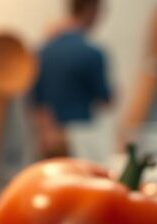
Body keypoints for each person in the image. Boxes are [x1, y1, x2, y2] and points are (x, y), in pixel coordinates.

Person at [29, 0, 113, 157]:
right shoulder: (92, 54)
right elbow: (106, 99)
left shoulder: (42, 52)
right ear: (92, 8)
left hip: (50, 139)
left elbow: (37, 103)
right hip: (81, 140)